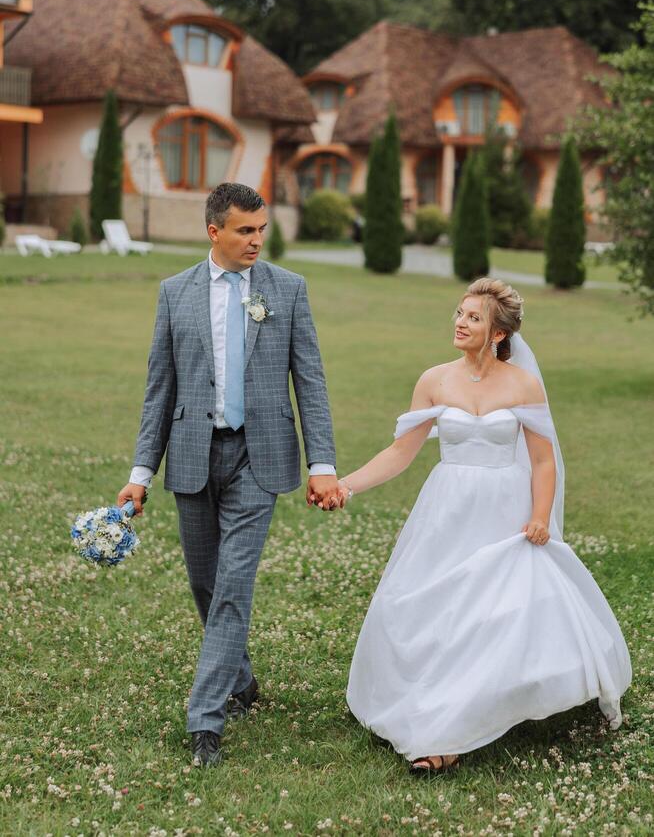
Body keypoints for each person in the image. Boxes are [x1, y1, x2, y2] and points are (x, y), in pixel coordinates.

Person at [336, 277, 631, 774]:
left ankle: (455, 730)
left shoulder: (522, 384)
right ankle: (430, 711)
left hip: (504, 508)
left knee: (493, 611)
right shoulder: (435, 379)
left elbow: (543, 461)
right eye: (459, 313)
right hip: (447, 507)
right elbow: (400, 452)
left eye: (473, 317)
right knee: (433, 605)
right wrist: (347, 485)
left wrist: (539, 516)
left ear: (498, 333)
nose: (460, 322)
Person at [117, 182, 340, 768]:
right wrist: (141, 474)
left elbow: (310, 381)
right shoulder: (175, 293)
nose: (256, 241)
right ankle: (242, 681)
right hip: (192, 455)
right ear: (214, 231)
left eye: (261, 230)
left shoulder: (287, 290)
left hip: (259, 458)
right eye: (245, 230)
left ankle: (205, 720)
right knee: (206, 585)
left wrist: (322, 464)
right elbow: (158, 390)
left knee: (234, 586)